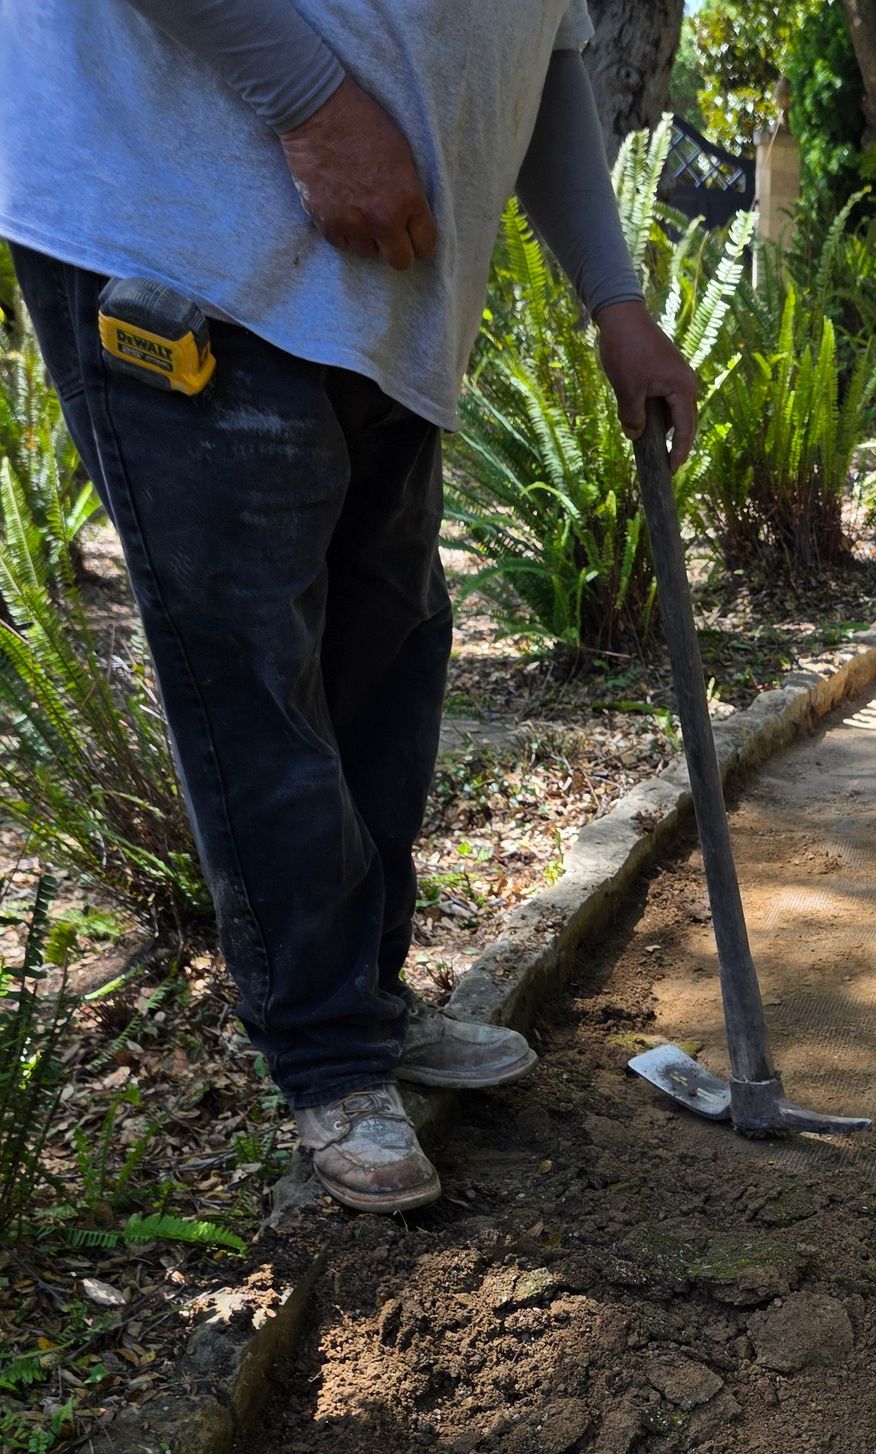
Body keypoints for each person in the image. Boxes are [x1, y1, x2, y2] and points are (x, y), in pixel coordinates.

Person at [0, 0, 700, 1211]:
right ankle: (326, 1057)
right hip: (186, 235)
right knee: (253, 670)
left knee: (389, 649)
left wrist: (616, 300)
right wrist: (313, 105)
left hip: (386, 287)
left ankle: (365, 1007)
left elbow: (552, 53)